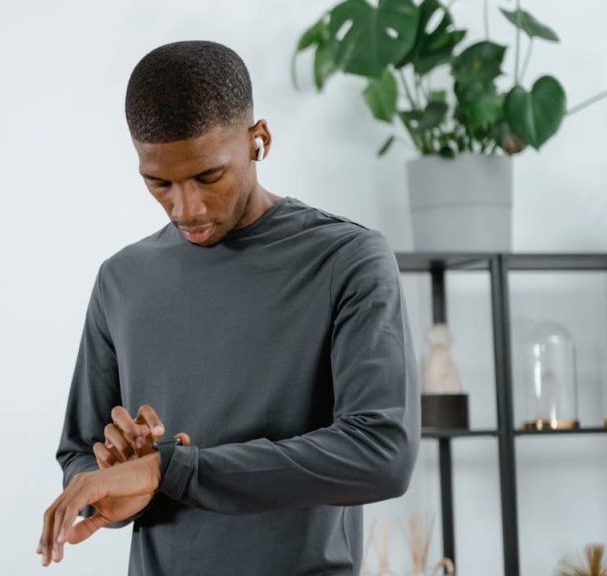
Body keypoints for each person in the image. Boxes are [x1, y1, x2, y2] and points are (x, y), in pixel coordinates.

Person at [37, 39, 420, 574]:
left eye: (207, 177)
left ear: (258, 140)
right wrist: (117, 482)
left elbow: (382, 454)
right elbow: (79, 454)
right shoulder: (121, 280)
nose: (185, 208)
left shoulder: (346, 259)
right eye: (159, 183)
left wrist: (170, 469)